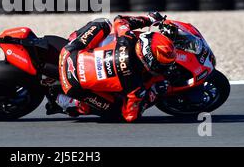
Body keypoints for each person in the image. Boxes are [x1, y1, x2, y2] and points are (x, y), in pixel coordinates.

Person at [46, 11, 177, 122]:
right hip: (72, 85)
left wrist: (148, 19)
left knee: (104, 23)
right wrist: (153, 93)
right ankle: (73, 103)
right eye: (160, 65)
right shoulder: (135, 85)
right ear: (149, 60)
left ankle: (74, 38)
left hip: (69, 53)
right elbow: (130, 116)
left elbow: (120, 20)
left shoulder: (127, 39)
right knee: (117, 112)